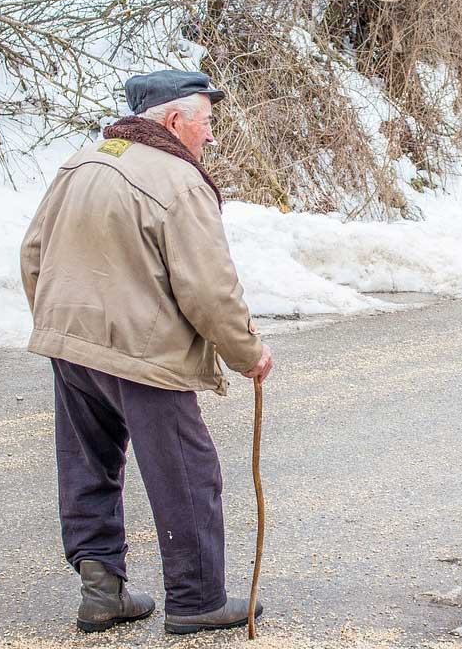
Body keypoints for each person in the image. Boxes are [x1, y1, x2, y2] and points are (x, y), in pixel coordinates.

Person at [20, 69, 273, 635]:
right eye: (206, 122)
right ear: (176, 119)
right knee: (187, 471)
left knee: (89, 464)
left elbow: (33, 252)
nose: (210, 137)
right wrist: (246, 353)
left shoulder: (80, 163)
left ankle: (102, 590)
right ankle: (198, 600)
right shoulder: (179, 181)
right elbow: (209, 288)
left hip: (71, 342)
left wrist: (58, 322)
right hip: (141, 352)